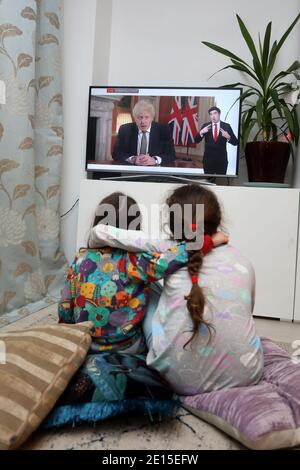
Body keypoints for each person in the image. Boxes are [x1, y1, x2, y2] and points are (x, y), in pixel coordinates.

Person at [90, 184, 264, 395]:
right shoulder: (243, 263)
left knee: (149, 283)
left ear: (172, 225)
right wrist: (205, 242)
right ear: (216, 221)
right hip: (247, 375)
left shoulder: (166, 248)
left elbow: (99, 231)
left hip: (175, 378)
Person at [58, 191, 223, 355]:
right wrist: (208, 241)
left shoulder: (81, 259)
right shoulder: (135, 262)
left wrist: (64, 335)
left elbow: (65, 306)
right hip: (125, 347)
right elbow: (171, 258)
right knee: (151, 289)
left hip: (83, 343)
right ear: (133, 230)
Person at [112, 100, 176, 166]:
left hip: (155, 171)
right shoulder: (125, 129)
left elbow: (171, 155)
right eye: (140, 117)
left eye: (146, 117)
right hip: (132, 170)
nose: (142, 121)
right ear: (134, 118)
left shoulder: (163, 130)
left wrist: (155, 160)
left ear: (152, 118)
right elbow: (116, 154)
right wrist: (133, 159)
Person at [195, 106, 238, 175]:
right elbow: (196, 140)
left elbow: (236, 142)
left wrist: (228, 137)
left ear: (219, 114)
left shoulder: (226, 126)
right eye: (211, 114)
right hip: (208, 162)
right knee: (208, 183)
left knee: (221, 183)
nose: (213, 116)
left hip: (222, 162)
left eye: (215, 113)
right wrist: (201, 132)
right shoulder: (206, 126)